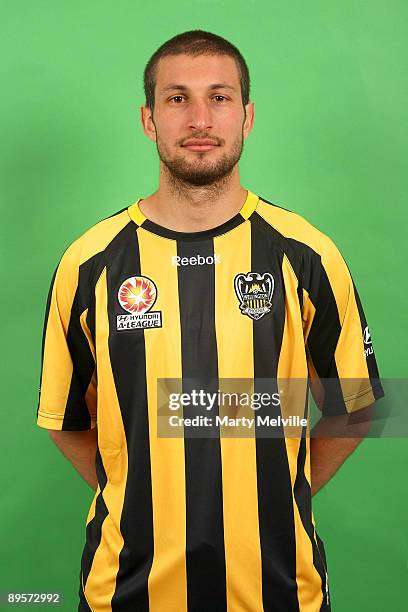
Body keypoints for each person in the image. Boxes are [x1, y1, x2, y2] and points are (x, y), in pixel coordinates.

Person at [36, 29, 384, 612]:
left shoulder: (307, 254)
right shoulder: (89, 262)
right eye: (177, 99)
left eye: (219, 97)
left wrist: (278, 495)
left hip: (278, 592)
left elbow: (358, 405)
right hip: (124, 592)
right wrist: (140, 495)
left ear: (246, 116)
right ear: (149, 120)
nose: (200, 118)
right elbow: (64, 418)